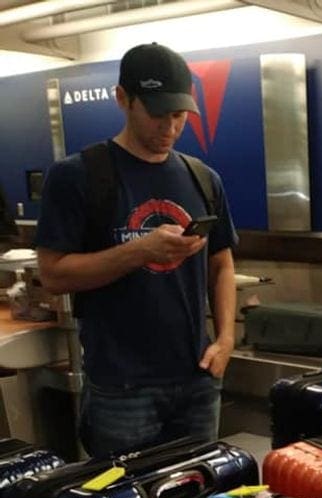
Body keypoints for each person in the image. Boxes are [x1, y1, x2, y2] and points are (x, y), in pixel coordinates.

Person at [35, 42, 237, 457]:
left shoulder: (202, 178)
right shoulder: (78, 175)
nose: (169, 127)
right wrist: (138, 251)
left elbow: (221, 265)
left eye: (179, 116)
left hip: (197, 376)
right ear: (123, 99)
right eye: (157, 114)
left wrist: (227, 339)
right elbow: (53, 274)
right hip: (122, 388)